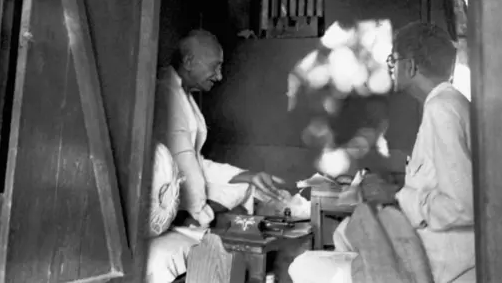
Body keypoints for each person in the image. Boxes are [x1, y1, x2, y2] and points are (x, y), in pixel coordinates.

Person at [289, 21, 475, 283]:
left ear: (410, 66)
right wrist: (400, 188)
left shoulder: (442, 110)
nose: (390, 66)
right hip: (439, 255)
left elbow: (462, 206)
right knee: (344, 233)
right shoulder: (450, 103)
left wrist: (397, 196)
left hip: (440, 265)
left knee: (305, 265)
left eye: (393, 59)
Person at [147, 29, 288, 283]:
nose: (220, 76)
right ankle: (197, 223)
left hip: (187, 192)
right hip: (167, 200)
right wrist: (200, 214)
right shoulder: (167, 93)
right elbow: (185, 167)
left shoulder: (183, 94)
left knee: (244, 186)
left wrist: (248, 175)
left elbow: (197, 163)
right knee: (225, 212)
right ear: (189, 62)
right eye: (215, 67)